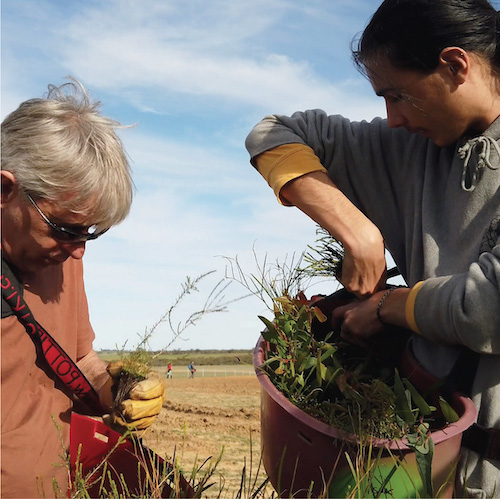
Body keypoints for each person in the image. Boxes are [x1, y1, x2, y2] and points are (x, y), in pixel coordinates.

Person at [245, 0, 500, 496]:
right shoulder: (409, 149)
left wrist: (387, 306)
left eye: (398, 95)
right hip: (417, 466)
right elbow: (272, 134)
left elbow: (489, 308)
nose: (392, 119)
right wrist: (359, 233)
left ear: (454, 65)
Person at [1, 79, 165, 498]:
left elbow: (80, 360)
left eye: (91, 233)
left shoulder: (60, 256)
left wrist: (120, 392)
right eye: (65, 229)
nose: (78, 252)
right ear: (5, 189)